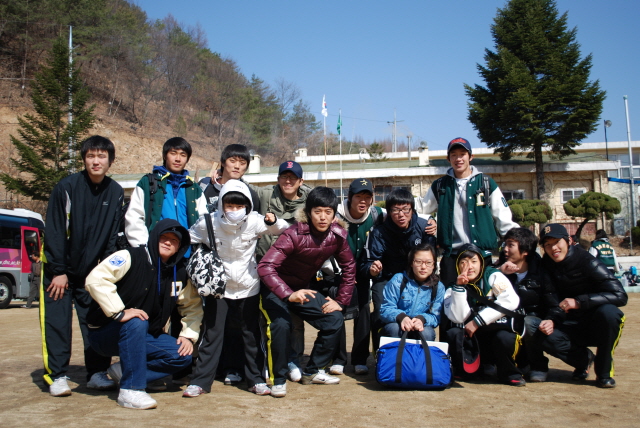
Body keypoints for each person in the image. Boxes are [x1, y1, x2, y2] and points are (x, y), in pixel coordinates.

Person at [182, 180, 289, 398]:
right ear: (221, 204)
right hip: (218, 287)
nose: (234, 210)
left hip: (249, 286)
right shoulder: (208, 223)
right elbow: (186, 238)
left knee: (251, 334)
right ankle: (200, 381)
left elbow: (284, 229)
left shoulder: (255, 221)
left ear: (247, 206)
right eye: (229, 205)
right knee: (212, 333)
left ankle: (256, 379)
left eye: (239, 206)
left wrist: (274, 220)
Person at [85, 219, 202, 409]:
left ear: (180, 246)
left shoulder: (179, 271)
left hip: (144, 335)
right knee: (136, 321)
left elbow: (192, 306)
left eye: (174, 240)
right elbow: (96, 279)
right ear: (154, 237)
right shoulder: (129, 256)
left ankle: (124, 371)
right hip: (106, 334)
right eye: (164, 237)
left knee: (181, 355)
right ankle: (131, 389)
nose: (168, 242)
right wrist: (118, 312)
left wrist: (188, 336)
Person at [41, 135, 123, 396]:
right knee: (57, 324)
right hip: (59, 272)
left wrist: (105, 272)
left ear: (110, 161)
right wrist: (59, 271)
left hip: (91, 273)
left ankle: (96, 373)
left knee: (96, 322)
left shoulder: (115, 191)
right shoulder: (66, 187)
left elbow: (112, 236)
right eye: (90, 156)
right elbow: (55, 231)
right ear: (84, 159)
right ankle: (57, 376)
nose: (96, 161)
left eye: (101, 156)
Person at [258, 187, 356, 398]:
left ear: (334, 214)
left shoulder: (337, 235)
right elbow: (265, 267)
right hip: (274, 289)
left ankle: (313, 371)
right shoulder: (293, 234)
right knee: (281, 325)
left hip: (302, 288)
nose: (323, 217)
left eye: (328, 212)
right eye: (317, 211)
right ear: (308, 212)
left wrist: (341, 301)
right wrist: (287, 294)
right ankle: (278, 379)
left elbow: (349, 267)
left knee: (334, 319)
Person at [533, 223, 627, 388]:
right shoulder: (544, 266)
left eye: (557, 242)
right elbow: (551, 299)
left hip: (595, 322)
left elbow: (620, 295)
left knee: (611, 314)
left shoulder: (587, 261)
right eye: (547, 244)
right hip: (567, 323)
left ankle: (604, 373)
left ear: (569, 240)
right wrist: (551, 320)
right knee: (538, 330)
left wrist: (579, 302)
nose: (553, 248)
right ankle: (584, 360)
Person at [421, 137, 518, 287]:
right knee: (451, 297)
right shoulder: (440, 185)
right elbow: (421, 209)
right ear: (448, 159)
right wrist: (430, 219)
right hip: (451, 256)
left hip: (481, 256)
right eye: (454, 155)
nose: (458, 159)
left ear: (471, 156)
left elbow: (503, 218)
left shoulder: (486, 183)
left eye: (462, 154)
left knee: (483, 295)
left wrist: (517, 243)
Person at [253, 160, 312, 381]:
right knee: (270, 318)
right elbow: (241, 188)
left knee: (295, 316)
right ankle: (269, 360)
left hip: (295, 268)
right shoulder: (265, 194)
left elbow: (327, 209)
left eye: (293, 177)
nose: (288, 181)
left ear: (301, 181)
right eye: (284, 177)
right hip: (267, 267)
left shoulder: (310, 198)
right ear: (278, 179)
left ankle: (294, 361)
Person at [361, 188, 436, 351]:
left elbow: (431, 258)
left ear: (412, 210)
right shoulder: (379, 232)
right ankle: (380, 352)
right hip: (387, 278)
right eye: (395, 210)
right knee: (381, 313)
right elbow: (369, 261)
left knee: (420, 316)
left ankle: (417, 353)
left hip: (417, 280)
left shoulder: (424, 227)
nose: (401, 214)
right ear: (388, 212)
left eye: (405, 209)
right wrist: (373, 269)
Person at [444, 243, 525, 386]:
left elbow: (511, 301)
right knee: (454, 333)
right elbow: (458, 317)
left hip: (495, 331)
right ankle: (468, 370)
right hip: (472, 338)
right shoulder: (452, 287)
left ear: (481, 263)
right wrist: (460, 288)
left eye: (474, 261)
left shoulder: (492, 275)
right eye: (463, 262)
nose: (469, 266)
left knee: (505, 338)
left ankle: (509, 373)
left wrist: (477, 321)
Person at [330, 178, 384, 375]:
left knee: (363, 310)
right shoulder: (335, 214)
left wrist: (431, 222)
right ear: (349, 197)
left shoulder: (377, 214)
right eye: (358, 196)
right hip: (339, 271)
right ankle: (338, 358)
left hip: (363, 270)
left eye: (367, 197)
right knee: (338, 312)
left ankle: (360, 358)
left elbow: (406, 214)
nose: (363, 201)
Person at [125, 137, 207, 249]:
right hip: (154, 251)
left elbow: (202, 220)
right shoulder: (148, 183)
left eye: (183, 155)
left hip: (186, 252)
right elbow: (134, 216)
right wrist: (144, 248)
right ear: (164, 155)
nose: (178, 159)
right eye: (173, 153)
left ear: (187, 159)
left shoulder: (193, 188)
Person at [495, 227, 547, 382]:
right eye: (505, 244)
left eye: (511, 245)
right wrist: (499, 272)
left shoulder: (541, 271)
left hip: (534, 320)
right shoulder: (500, 268)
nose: (505, 249)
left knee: (528, 324)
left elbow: (551, 300)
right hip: (509, 320)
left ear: (525, 251)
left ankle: (538, 366)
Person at [380, 243, 445, 342]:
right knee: (394, 329)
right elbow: (385, 308)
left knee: (427, 333)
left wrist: (422, 319)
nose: (423, 267)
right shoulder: (398, 280)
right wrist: (401, 317)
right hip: (398, 324)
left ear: (434, 265)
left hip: (421, 326)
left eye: (428, 262)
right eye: (418, 262)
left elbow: (436, 316)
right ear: (411, 263)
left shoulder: (438, 287)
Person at [199, 143, 261, 213]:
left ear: (247, 167)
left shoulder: (250, 195)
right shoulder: (204, 185)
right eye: (232, 161)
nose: (237, 166)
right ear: (223, 162)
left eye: (242, 163)